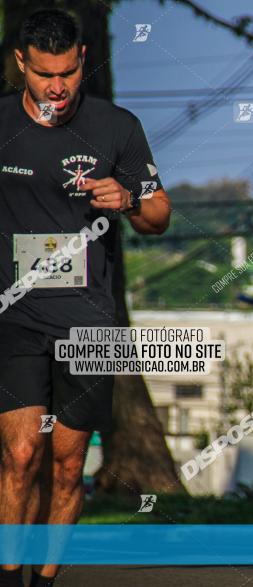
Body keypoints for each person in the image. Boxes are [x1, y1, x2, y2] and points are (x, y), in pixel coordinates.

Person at [0, 9, 171, 587]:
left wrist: (127, 198)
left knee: (69, 465)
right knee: (21, 455)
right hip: (14, 317)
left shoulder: (116, 126)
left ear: (83, 61)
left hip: (91, 324)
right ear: (21, 64)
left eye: (70, 73)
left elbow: (159, 217)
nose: (58, 87)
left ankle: (44, 580)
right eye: (45, 75)